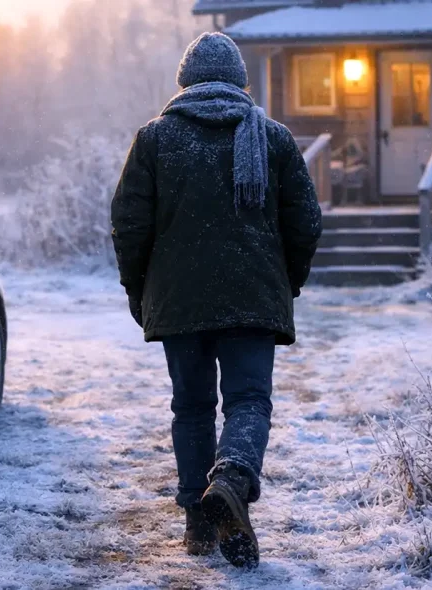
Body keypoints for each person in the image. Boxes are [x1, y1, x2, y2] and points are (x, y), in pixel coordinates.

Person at [110, 32, 322, 568]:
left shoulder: (155, 139)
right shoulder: (271, 138)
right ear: (239, 81)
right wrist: (286, 281)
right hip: (252, 296)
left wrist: (139, 289)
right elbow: (306, 223)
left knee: (192, 406)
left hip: (179, 301)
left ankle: (199, 522)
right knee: (249, 401)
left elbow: (129, 224)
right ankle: (230, 477)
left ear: (184, 82)